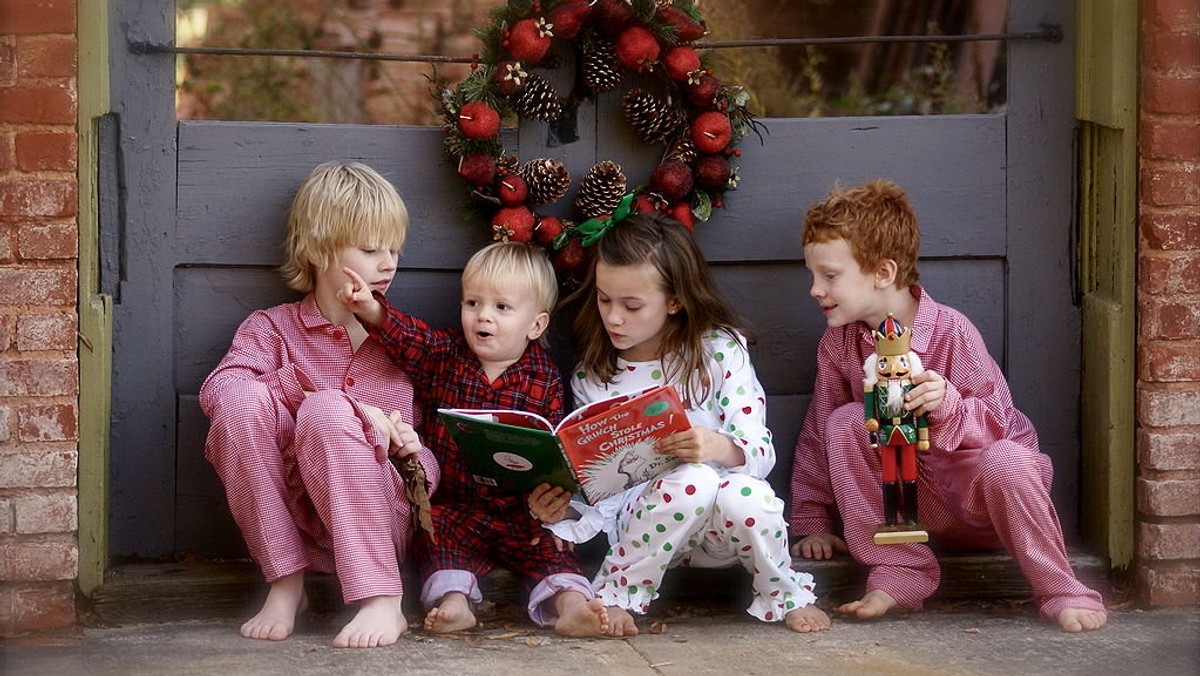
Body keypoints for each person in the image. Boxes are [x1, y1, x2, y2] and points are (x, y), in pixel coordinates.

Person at [788, 179, 1108, 633]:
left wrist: (950, 406)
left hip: (980, 504)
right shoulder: (840, 344)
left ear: (883, 272)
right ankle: (901, 570)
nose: (815, 289)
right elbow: (820, 432)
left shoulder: (951, 332)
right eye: (813, 276)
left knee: (1010, 461)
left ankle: (1061, 588)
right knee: (844, 421)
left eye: (830, 276)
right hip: (910, 510)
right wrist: (814, 518)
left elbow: (1009, 430)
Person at [531, 212, 831, 637]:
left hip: (727, 530)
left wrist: (715, 447)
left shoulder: (720, 352)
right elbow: (597, 487)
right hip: (647, 528)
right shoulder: (596, 376)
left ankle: (784, 592)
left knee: (745, 495)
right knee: (691, 482)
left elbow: (759, 451)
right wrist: (564, 508)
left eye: (632, 305)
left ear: (674, 300)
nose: (613, 318)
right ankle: (618, 593)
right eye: (603, 299)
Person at [199, 160, 440, 648]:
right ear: (318, 250)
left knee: (329, 414)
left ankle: (381, 599)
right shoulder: (273, 329)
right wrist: (315, 395)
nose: (388, 262)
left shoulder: (402, 341)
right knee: (246, 401)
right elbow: (219, 395)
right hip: (289, 517)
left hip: (380, 516)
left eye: (394, 248)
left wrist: (404, 449)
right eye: (371, 249)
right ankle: (286, 583)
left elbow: (429, 472)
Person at [337, 241, 610, 637]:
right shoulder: (446, 355)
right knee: (434, 534)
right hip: (459, 507)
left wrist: (551, 498)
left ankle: (570, 605)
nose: (483, 316)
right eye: (473, 303)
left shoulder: (544, 376)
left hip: (522, 513)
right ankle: (455, 602)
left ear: (536, 325)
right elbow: (408, 337)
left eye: (502, 307)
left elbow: (552, 448)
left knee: (552, 545)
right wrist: (370, 309)